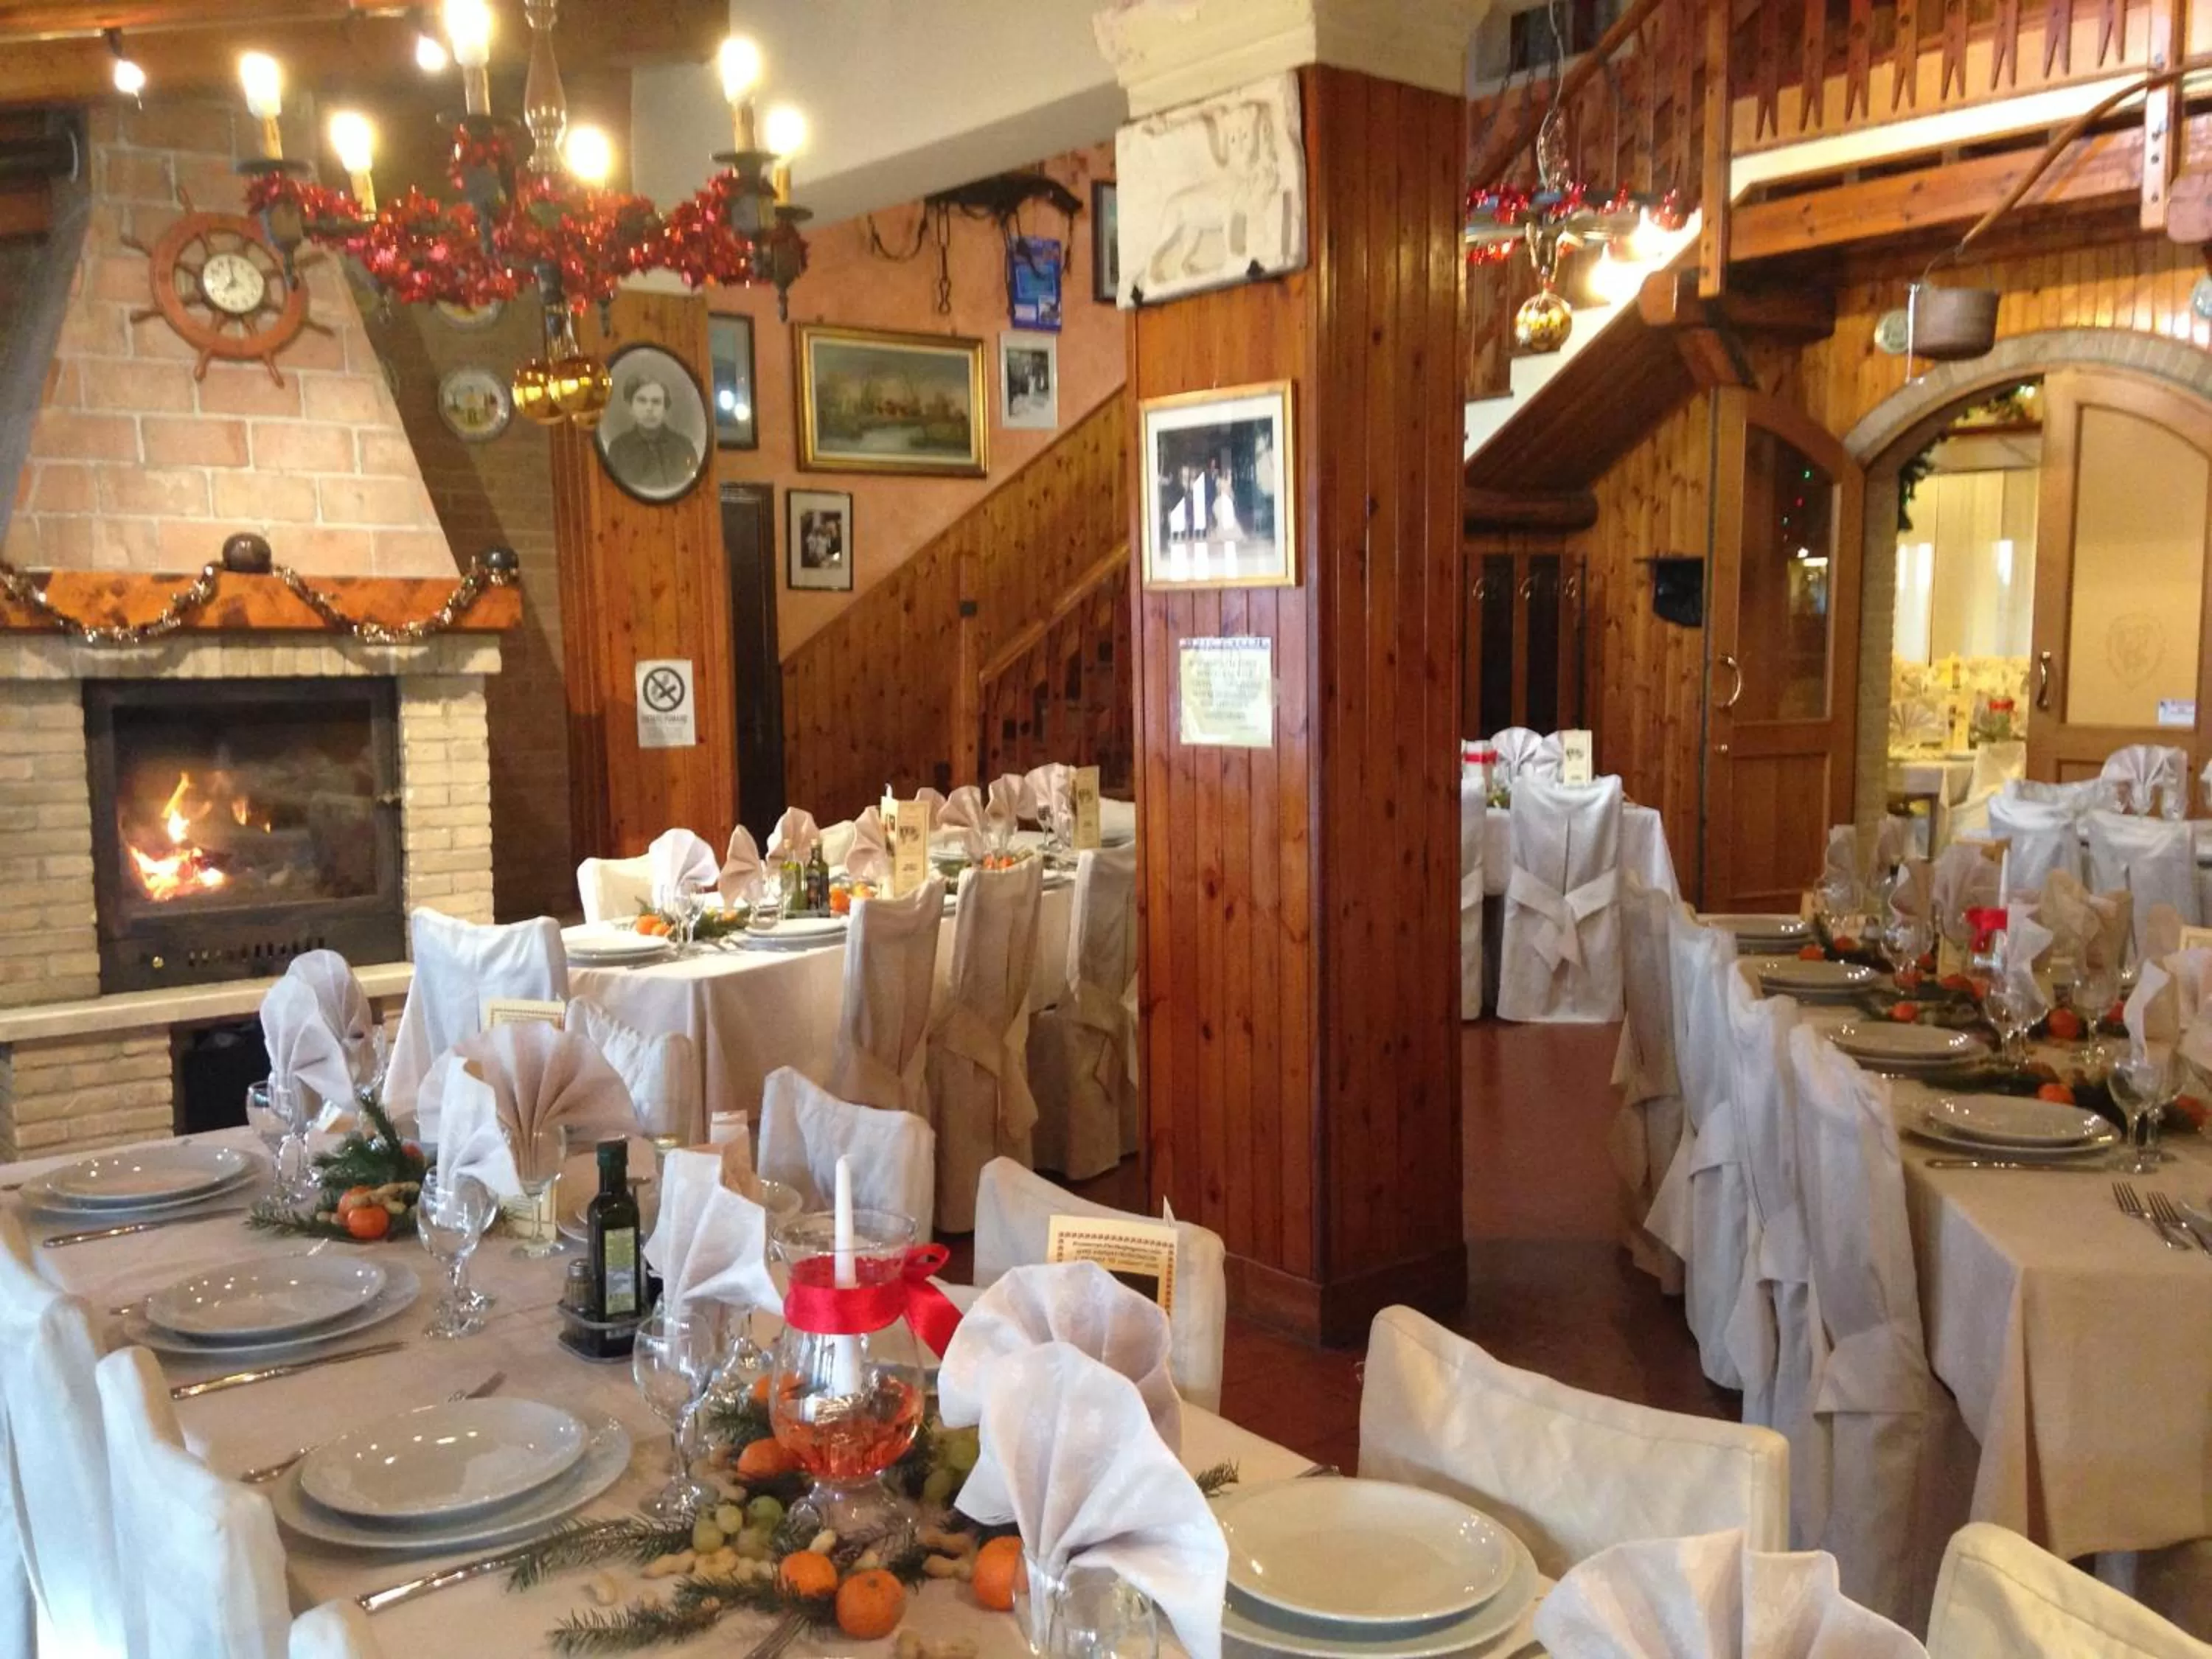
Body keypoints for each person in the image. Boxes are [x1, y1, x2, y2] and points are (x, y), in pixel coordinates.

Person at [604, 372, 699, 495]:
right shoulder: (618, 449)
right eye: (642, 401)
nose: (649, 408)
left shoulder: (684, 447)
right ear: (631, 407)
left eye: (656, 402)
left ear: (665, 409)